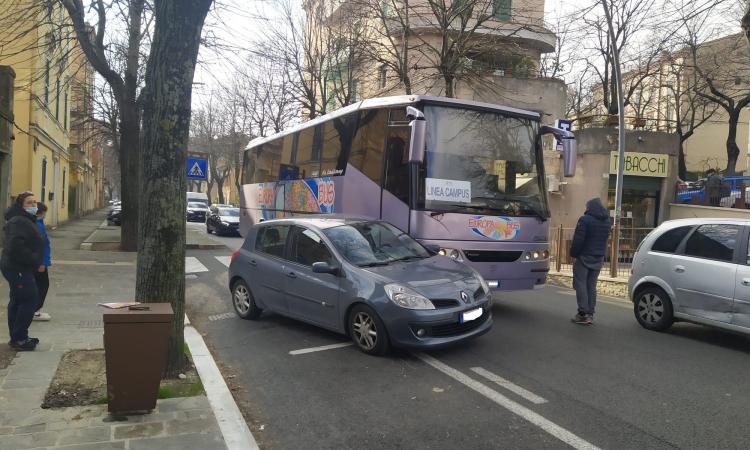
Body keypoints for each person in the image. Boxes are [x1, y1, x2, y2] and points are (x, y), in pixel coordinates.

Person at [1, 192, 44, 351]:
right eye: (29, 203)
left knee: (18, 300)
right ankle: (20, 338)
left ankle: (16, 336)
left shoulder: (25, 219)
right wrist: (33, 258)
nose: (33, 206)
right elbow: (15, 246)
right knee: (29, 299)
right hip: (18, 267)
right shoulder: (19, 221)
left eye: (35, 203)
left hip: (18, 267)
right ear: (21, 206)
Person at [569, 198, 611, 325]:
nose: (586, 209)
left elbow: (578, 239)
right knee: (591, 285)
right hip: (598, 256)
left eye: (587, 207)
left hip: (584, 256)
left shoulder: (585, 220)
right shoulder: (607, 221)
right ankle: (590, 314)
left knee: (580, 283)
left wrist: (573, 254)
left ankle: (582, 313)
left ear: (590, 207)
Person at [34, 203, 51, 321]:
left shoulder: (38, 224)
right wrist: (43, 263)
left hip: (38, 260)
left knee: (40, 285)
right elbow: (42, 246)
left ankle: (35, 310)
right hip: (39, 262)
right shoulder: (37, 225)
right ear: (41, 212)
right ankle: (35, 311)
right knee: (42, 285)